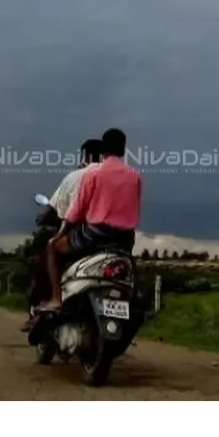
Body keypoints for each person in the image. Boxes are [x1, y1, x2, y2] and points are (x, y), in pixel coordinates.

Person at [39, 128, 141, 312]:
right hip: (125, 238)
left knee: (53, 249)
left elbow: (76, 211)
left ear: (104, 150)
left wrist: (60, 234)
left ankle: (56, 299)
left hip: (95, 235)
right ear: (123, 149)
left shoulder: (93, 174)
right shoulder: (134, 176)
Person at [22, 138, 102, 331]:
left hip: (79, 239)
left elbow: (58, 211)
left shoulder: (76, 177)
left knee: (46, 257)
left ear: (85, 157)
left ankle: (51, 301)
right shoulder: (117, 177)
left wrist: (48, 220)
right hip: (112, 239)